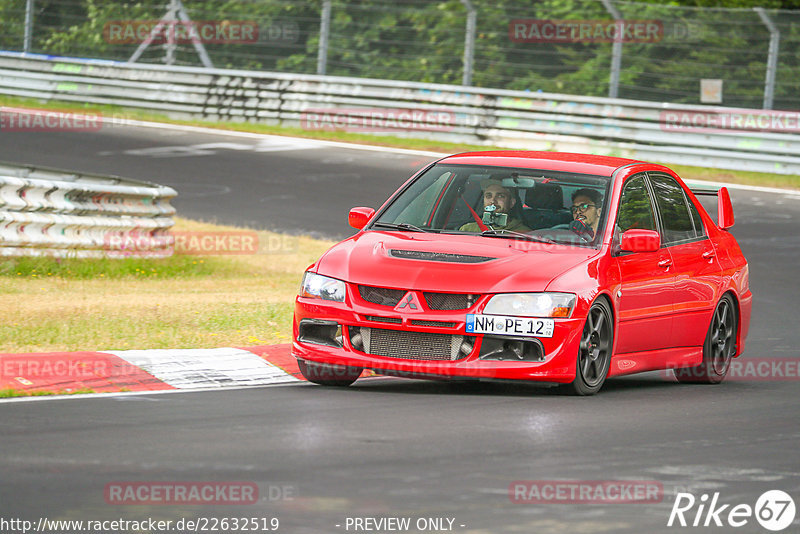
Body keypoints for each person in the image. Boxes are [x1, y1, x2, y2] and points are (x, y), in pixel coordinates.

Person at [460, 179, 531, 233]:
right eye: (488, 196)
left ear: (512, 202)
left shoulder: (524, 233)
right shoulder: (467, 230)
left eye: (500, 196)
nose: (493, 201)